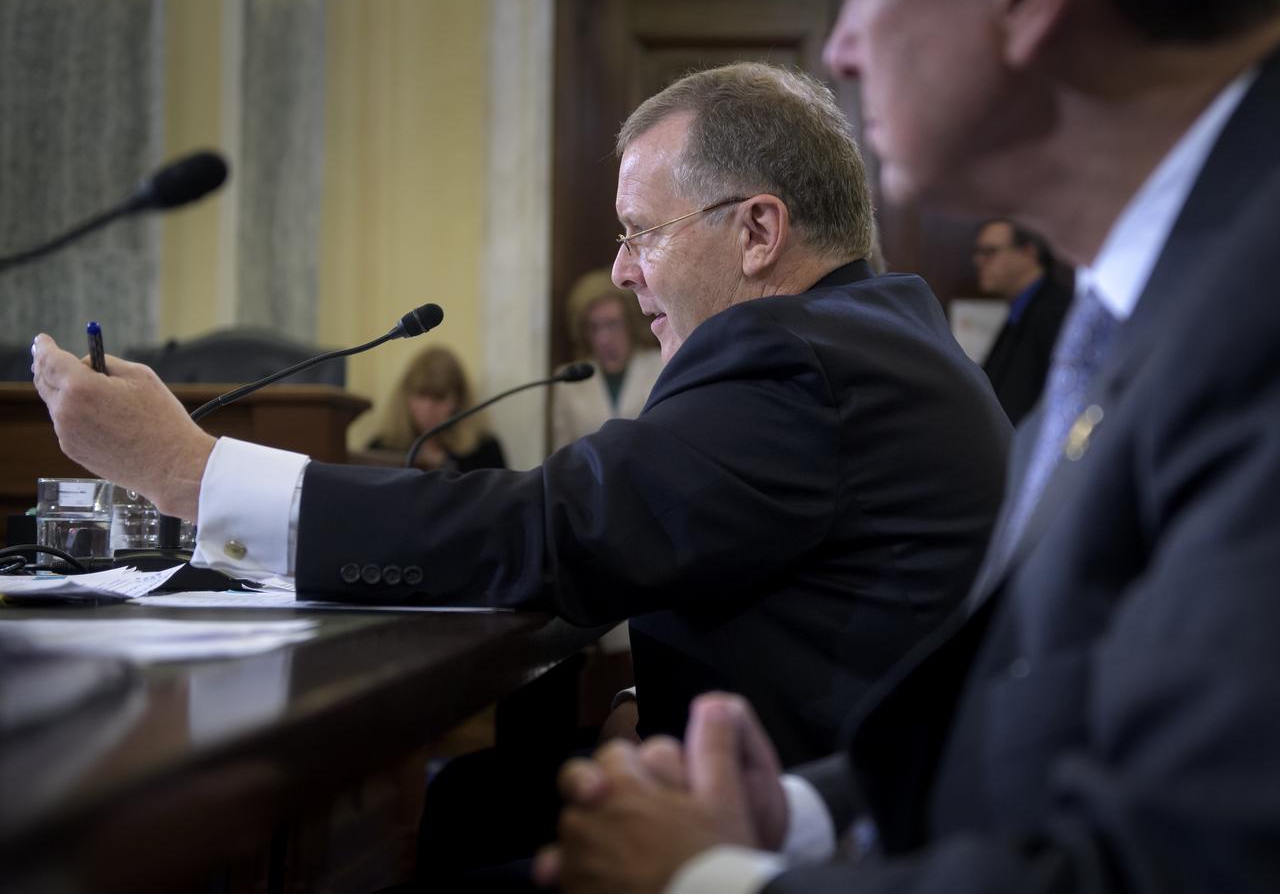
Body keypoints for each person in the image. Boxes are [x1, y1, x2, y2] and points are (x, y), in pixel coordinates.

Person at [538, 0, 1280, 892]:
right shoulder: (1170, 278)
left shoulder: (1250, 309)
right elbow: (1047, 723)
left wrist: (712, 881)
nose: (838, 47)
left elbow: (1178, 864)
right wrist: (796, 817)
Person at [31, 61, 1009, 772]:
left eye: (639, 235)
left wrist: (191, 474)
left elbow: (560, 524)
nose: (624, 273)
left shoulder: (797, 363)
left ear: (756, 230)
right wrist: (640, 698)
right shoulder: (869, 338)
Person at [551, 269, 663, 451]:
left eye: (612, 324)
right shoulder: (568, 380)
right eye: (593, 327)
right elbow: (562, 453)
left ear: (630, 323)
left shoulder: (661, 365)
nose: (603, 338)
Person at [972, 219, 1071, 425]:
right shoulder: (1022, 310)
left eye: (990, 252)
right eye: (978, 252)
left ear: (1028, 253)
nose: (978, 261)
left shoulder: (1054, 311)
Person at [365, 345, 506, 472]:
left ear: (459, 400)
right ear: (406, 396)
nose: (428, 408)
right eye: (421, 395)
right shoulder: (381, 450)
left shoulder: (485, 451)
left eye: (439, 397)